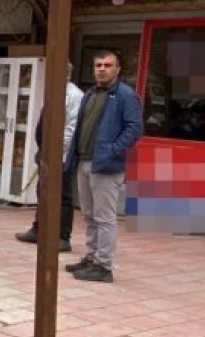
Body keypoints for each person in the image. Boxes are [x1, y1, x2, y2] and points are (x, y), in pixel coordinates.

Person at [65, 50, 143, 283]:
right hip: (85, 161)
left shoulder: (125, 96)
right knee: (89, 214)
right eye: (98, 65)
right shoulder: (90, 94)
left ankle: (104, 265)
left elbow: (134, 128)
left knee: (104, 217)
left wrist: (113, 150)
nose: (102, 69)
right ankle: (91, 257)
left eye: (108, 65)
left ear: (117, 70)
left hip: (107, 166)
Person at [15, 61, 84, 252]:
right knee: (43, 191)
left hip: (61, 155)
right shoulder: (53, 91)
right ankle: (39, 229)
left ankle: (62, 236)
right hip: (46, 152)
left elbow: (71, 129)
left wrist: (55, 150)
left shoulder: (74, 95)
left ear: (67, 74)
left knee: (62, 196)